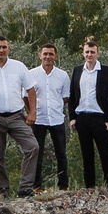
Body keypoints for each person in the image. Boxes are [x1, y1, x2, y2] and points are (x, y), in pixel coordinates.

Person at [0, 35, 37, 198]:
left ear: (9, 48)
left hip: (17, 116)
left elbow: (30, 89)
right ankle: (3, 191)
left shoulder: (19, 66)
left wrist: (32, 112)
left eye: (4, 47)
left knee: (32, 147)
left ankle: (25, 188)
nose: (1, 50)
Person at [68, 38, 108, 192]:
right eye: (87, 52)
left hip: (100, 119)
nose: (90, 54)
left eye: (92, 52)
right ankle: (89, 189)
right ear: (83, 53)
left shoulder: (107, 71)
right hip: (82, 118)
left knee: (105, 155)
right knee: (87, 156)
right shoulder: (77, 70)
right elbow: (72, 96)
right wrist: (72, 118)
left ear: (98, 53)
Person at [27, 43, 73, 192]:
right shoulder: (31, 74)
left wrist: (56, 104)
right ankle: (36, 186)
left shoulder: (62, 75)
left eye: (51, 54)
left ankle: (63, 186)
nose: (48, 57)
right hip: (38, 119)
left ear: (56, 56)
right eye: (45, 54)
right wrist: (32, 111)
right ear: (39, 55)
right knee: (36, 154)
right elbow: (25, 95)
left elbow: (66, 96)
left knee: (61, 153)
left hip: (56, 119)